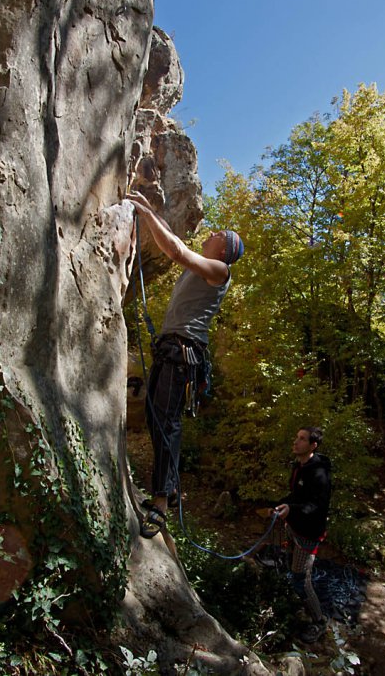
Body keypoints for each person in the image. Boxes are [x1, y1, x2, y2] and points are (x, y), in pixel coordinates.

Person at [126, 191, 244, 539]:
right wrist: (149, 211)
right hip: (171, 350)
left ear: (224, 251)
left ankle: (162, 503)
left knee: (166, 422)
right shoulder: (205, 265)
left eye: (219, 235)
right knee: (155, 418)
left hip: (182, 353)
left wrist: (146, 213)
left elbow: (177, 251)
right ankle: (170, 488)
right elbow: (176, 243)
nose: (212, 233)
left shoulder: (220, 270)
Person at [274, 426, 332, 643]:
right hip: (295, 525)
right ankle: (279, 560)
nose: (295, 442)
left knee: (301, 579)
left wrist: (292, 509)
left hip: (309, 532)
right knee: (277, 530)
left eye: (302, 439)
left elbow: (317, 505)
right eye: (296, 437)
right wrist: (282, 504)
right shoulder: (299, 466)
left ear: (313, 445)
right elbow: (296, 495)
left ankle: (319, 621)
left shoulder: (319, 474)